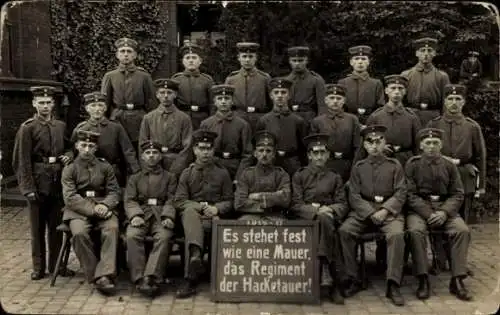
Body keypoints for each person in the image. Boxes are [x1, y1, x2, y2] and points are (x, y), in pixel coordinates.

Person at [339, 125, 407, 306]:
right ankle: (354, 278)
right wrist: (370, 213)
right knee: (345, 231)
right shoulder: (359, 167)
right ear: (365, 146)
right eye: (370, 142)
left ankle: (393, 283)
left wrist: (385, 210)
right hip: (364, 211)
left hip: (388, 212)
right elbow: (353, 195)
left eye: (379, 141)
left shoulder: (395, 165)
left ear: (385, 143)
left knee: (396, 235)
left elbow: (401, 192)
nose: (375, 145)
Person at [12, 86, 75, 280]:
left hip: (56, 183)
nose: (45, 106)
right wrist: (28, 188)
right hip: (37, 183)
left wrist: (68, 155)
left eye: (48, 103)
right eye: (41, 103)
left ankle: (56, 266)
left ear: (53, 104)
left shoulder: (60, 126)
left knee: (56, 227)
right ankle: (38, 267)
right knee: (37, 229)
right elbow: (21, 160)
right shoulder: (27, 128)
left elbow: (70, 148)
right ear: (34, 104)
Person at [405, 128, 472, 301]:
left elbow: (458, 193)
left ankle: (457, 279)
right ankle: (423, 278)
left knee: (462, 230)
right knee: (415, 231)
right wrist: (428, 213)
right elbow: (409, 194)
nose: (432, 146)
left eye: (435, 143)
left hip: (444, 207)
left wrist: (443, 212)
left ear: (441, 145)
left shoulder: (449, 165)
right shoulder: (413, 164)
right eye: (428, 143)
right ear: (421, 145)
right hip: (419, 209)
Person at [174, 130, 233, 298]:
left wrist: (217, 209)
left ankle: (195, 261)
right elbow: (179, 200)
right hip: (193, 218)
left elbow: (230, 200)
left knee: (198, 218)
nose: (205, 152)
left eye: (208, 148)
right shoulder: (187, 173)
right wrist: (200, 207)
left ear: (213, 151)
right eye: (201, 148)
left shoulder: (222, 173)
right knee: (190, 211)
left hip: (214, 218)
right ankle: (193, 264)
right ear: (194, 150)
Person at [61, 131, 121, 295]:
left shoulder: (104, 166)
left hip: (104, 207)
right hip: (78, 210)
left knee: (112, 229)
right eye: (83, 145)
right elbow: (70, 197)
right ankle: (97, 276)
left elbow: (114, 192)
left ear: (96, 148)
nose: (87, 150)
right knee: (79, 234)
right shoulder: (70, 168)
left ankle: (105, 274)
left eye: (91, 146)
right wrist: (93, 210)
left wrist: (106, 205)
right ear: (77, 146)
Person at [291, 133, 348, 304]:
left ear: (328, 155)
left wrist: (328, 209)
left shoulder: (334, 177)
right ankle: (332, 279)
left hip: (328, 217)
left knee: (326, 221)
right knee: (325, 223)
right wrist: (316, 211)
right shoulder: (300, 176)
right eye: (315, 153)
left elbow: (342, 204)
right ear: (309, 155)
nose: (319, 156)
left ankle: (325, 268)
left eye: (323, 152)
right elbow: (295, 204)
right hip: (306, 219)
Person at [124, 140, 177, 297]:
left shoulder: (170, 177)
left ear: (160, 156)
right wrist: (135, 215)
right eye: (148, 153)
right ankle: (139, 277)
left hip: (160, 214)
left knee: (164, 236)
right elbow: (130, 199)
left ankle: (152, 277)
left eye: (155, 153)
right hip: (141, 213)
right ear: (142, 157)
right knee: (132, 235)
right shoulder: (134, 178)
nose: (152, 156)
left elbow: (172, 199)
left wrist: (169, 216)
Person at [426, 84, 486, 222]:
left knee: (462, 217)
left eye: (458, 99)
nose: (454, 103)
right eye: (450, 98)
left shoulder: (472, 126)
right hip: (440, 174)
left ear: (463, 102)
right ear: (445, 101)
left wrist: (481, 185)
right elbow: (424, 152)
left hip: (464, 175)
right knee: (439, 215)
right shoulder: (434, 124)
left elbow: (480, 156)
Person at [71, 91, 140, 188]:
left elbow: (128, 150)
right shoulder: (81, 129)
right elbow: (72, 150)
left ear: (105, 108)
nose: (97, 109)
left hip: (112, 171)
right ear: (87, 109)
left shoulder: (116, 127)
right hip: (88, 173)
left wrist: (136, 171)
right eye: (93, 106)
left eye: (100, 105)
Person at [101, 37, 156, 149]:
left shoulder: (144, 76)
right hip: (117, 117)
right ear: (117, 55)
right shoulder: (110, 76)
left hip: (139, 118)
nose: (125, 54)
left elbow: (151, 101)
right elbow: (105, 102)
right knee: (118, 147)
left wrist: (151, 121)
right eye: (122, 51)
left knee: (139, 147)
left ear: (135, 55)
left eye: (129, 51)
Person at [139, 78, 193, 178]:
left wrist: (177, 168)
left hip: (175, 161)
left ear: (175, 95)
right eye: (162, 92)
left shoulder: (184, 118)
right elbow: (142, 144)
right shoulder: (148, 118)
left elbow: (187, 146)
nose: (166, 96)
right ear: (157, 95)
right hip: (154, 162)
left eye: (169, 92)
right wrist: (147, 166)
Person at [364, 75, 421, 167]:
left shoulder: (412, 117)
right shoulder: (376, 116)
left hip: (406, 160)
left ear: (405, 91)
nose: (397, 92)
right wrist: (379, 148)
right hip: (382, 159)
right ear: (386, 91)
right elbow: (367, 142)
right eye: (393, 88)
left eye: (400, 88)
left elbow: (418, 145)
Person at [199, 84, 253, 181]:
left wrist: (239, 176)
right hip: (213, 166)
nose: (223, 102)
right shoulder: (206, 124)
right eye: (220, 99)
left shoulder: (242, 125)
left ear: (232, 101)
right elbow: (201, 151)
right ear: (214, 102)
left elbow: (247, 154)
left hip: (234, 167)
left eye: (227, 98)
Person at [234, 130, 291, 222]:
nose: (264, 154)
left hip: (276, 217)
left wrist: (258, 196)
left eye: (268, 151)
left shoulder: (281, 174)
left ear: (273, 154)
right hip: (251, 216)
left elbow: (285, 199)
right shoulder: (246, 174)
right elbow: (239, 203)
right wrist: (274, 197)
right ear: (255, 153)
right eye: (261, 150)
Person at [256, 77, 308, 176]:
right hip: (271, 164)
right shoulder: (263, 120)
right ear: (271, 95)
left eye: (283, 92)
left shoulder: (298, 121)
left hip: (293, 164)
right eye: (276, 92)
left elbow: (303, 149)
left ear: (289, 95)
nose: (280, 96)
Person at [309, 84, 361, 182]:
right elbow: (312, 148)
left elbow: (357, 147)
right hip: (326, 165)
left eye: (339, 98)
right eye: (332, 98)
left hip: (347, 165)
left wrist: (355, 168)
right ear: (325, 100)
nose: (335, 101)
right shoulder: (317, 121)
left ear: (344, 101)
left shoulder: (352, 120)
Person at [401, 36, 450, 126]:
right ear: (417, 53)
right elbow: (400, 101)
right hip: (410, 117)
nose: (426, 54)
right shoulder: (406, 75)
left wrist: (444, 122)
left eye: (429, 50)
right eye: (423, 50)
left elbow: (446, 103)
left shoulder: (442, 76)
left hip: (433, 118)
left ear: (434, 53)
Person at [225, 42, 272, 135]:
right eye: (244, 56)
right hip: (237, 119)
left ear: (256, 58)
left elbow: (271, 102)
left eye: (250, 56)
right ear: (239, 58)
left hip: (258, 120)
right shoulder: (231, 79)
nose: (247, 60)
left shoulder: (264, 78)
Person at [338, 45, 385, 126]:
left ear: (368, 62)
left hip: (371, 123)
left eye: (363, 59)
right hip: (347, 122)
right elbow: (339, 106)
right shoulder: (343, 83)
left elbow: (380, 107)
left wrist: (371, 122)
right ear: (351, 62)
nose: (360, 62)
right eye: (356, 59)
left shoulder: (376, 83)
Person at [172, 41, 214, 130]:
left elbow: (212, 103)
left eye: (194, 58)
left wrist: (211, 121)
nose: (191, 60)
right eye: (187, 58)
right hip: (181, 119)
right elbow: (172, 103)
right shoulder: (176, 80)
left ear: (200, 61)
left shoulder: (207, 80)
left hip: (202, 119)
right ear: (183, 61)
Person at [285, 46, 326, 123]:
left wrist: (319, 123)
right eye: (294, 60)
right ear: (289, 61)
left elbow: (322, 106)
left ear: (306, 61)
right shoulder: (286, 81)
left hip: (309, 119)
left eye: (300, 60)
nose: (297, 64)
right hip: (289, 119)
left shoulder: (316, 80)